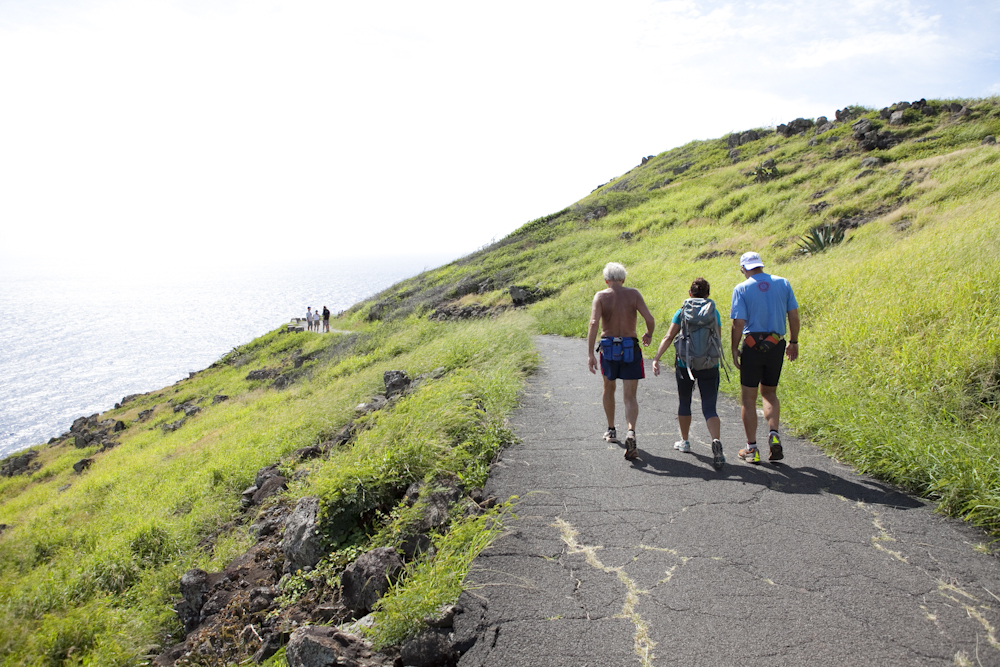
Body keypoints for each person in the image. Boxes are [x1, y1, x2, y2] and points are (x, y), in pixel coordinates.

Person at [730, 251, 800, 464]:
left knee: (749, 398)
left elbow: (738, 323)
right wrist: (793, 341)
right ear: (761, 265)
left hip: (752, 346)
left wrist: (734, 348)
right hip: (776, 344)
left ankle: (751, 449)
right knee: (769, 392)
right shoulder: (783, 283)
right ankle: (774, 434)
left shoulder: (741, 288)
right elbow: (793, 315)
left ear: (744, 268)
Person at [651, 277, 726, 469]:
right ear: (708, 294)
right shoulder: (713, 312)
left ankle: (684, 442)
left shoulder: (682, 311)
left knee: (685, 402)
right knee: (710, 407)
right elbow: (717, 337)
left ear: (689, 293)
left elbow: (669, 336)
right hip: (710, 364)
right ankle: (715, 441)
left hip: (686, 364)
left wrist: (656, 358)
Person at [587, 262, 655, 460]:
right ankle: (631, 431)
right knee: (630, 395)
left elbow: (593, 323)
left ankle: (611, 429)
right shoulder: (633, 294)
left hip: (608, 348)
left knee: (609, 388)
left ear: (606, 280)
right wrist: (648, 334)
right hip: (630, 346)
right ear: (623, 279)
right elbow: (649, 318)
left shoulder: (601, 296)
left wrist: (590, 353)